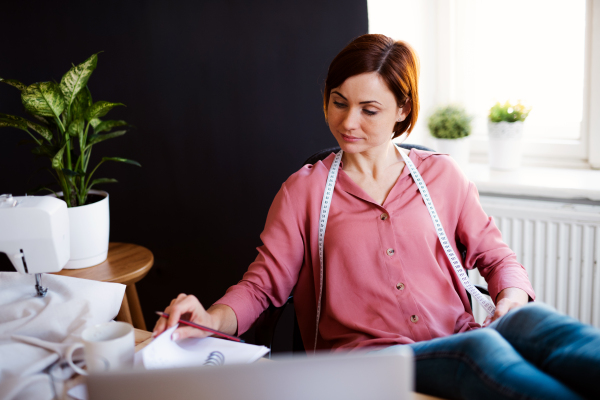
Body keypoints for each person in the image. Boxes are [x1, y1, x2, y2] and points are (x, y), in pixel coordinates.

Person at [153, 34, 600, 399]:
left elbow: (499, 260)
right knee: (478, 350)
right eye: (338, 101)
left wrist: (510, 301)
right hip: (364, 361)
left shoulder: (441, 175)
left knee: (538, 324)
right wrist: (210, 319)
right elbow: (263, 286)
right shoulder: (303, 191)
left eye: (369, 110)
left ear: (402, 111)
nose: (348, 122)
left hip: (458, 332)